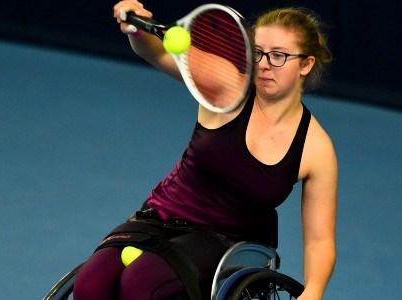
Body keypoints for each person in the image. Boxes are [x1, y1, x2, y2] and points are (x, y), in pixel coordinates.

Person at [72, 1, 338, 299]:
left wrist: (313, 291)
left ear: (306, 64)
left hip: (227, 240)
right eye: (259, 52)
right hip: (160, 215)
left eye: (278, 56)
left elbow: (320, 241)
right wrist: (136, 30)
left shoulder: (316, 148)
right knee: (90, 284)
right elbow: (158, 51)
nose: (263, 64)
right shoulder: (226, 83)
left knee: (142, 284)